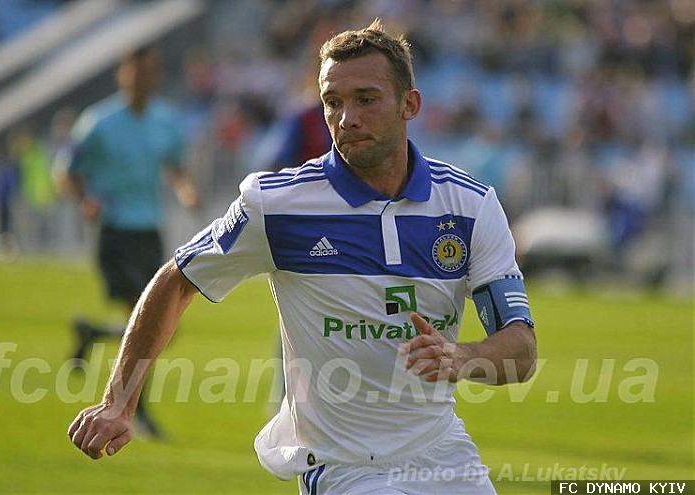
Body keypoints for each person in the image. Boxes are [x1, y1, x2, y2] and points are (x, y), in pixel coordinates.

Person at [68, 21, 536, 494]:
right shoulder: (276, 206)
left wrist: (463, 356)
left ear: (409, 105)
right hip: (344, 467)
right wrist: (117, 402)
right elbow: (177, 280)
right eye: (333, 102)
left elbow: (521, 350)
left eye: (366, 100)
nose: (346, 118)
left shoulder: (471, 206)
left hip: (446, 455)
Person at [57, 45, 198, 439]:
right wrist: (85, 198)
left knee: (152, 324)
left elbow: (177, 169)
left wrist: (187, 192)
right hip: (114, 231)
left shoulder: (166, 122)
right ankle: (138, 413)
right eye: (137, 72)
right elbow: (65, 172)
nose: (143, 79)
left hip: (149, 232)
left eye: (151, 72)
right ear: (123, 75)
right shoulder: (98, 123)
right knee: (150, 321)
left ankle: (91, 333)